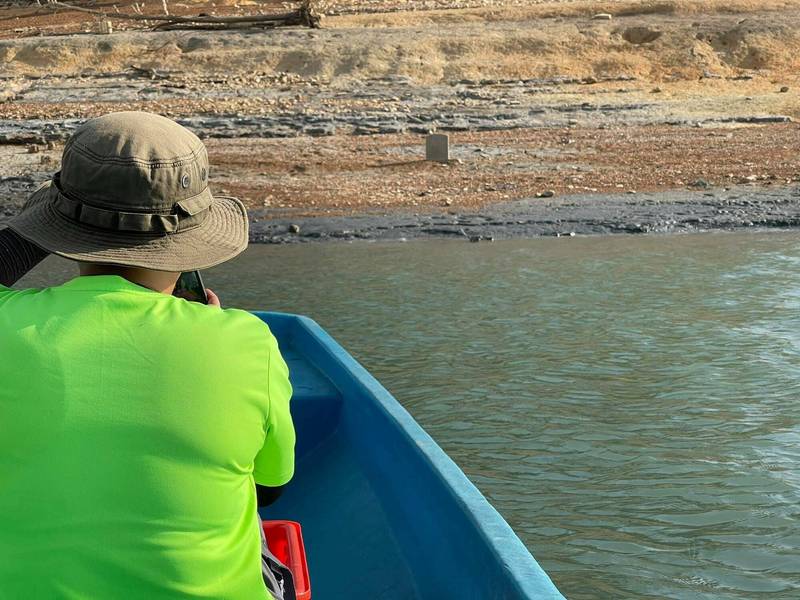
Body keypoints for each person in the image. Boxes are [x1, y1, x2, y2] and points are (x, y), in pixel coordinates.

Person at [0, 112, 295, 599]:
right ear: (193, 238)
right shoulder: (246, 342)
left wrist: (47, 224)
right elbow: (272, 485)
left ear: (56, 228)